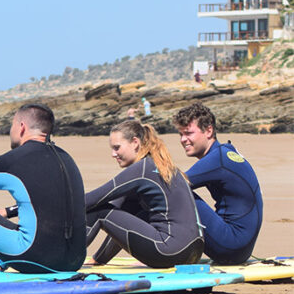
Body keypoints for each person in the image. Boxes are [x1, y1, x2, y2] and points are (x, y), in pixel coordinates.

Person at [0, 103, 86, 273]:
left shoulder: (13, 160)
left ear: (21, 127)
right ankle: (0, 264)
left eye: (11, 125)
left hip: (36, 259)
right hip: (75, 260)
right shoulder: (67, 158)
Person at [85, 119, 203, 268]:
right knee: (133, 213)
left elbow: (92, 200)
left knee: (99, 210)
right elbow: (120, 223)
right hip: (193, 254)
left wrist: (55, 207)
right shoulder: (164, 165)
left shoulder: (142, 169)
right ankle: (98, 260)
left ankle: (66, 261)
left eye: (117, 148)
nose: (113, 154)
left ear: (135, 142)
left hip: (169, 252)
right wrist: (99, 260)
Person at [173, 102, 263, 264]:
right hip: (240, 248)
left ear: (208, 131)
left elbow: (172, 184)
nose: (183, 140)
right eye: (180, 134)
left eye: (188, 133)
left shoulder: (217, 159)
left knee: (175, 193)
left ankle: (162, 249)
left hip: (230, 245)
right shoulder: (224, 152)